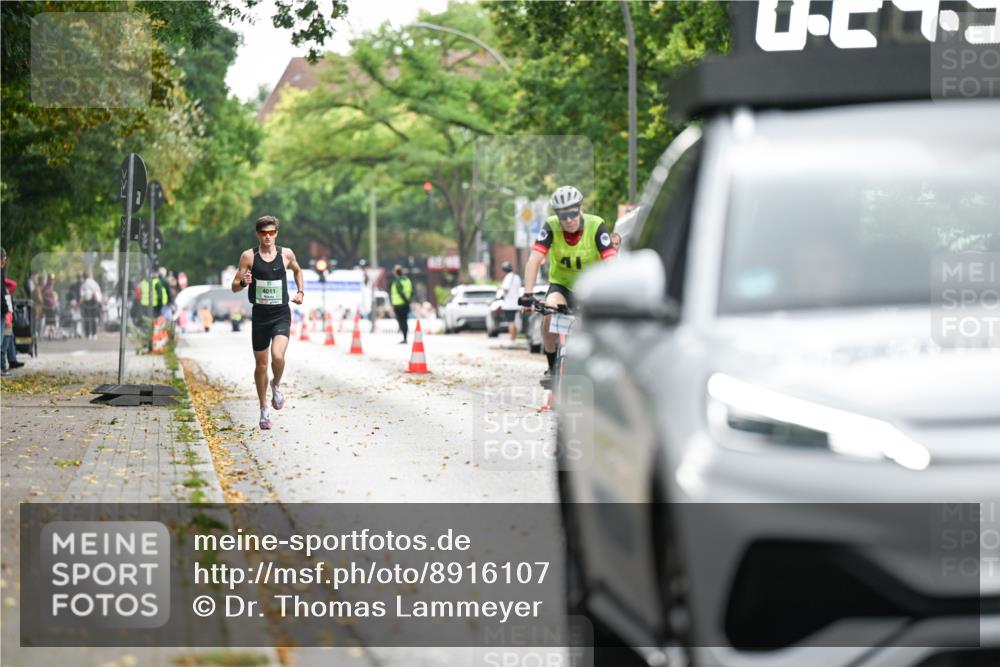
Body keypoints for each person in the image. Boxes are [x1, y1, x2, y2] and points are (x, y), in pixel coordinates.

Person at [520, 185, 617, 386]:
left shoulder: (596, 225)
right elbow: (535, 258)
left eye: (573, 213)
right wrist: (528, 294)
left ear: (580, 209)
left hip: (591, 287)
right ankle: (553, 366)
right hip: (562, 287)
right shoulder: (551, 226)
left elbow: (611, 260)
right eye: (563, 216)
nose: (569, 220)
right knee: (549, 311)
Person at [231, 215, 304, 430]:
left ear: (276, 234)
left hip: (281, 313)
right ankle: (263, 407)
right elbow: (234, 286)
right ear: (258, 235)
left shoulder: (286, 254)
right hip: (260, 316)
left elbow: (298, 270)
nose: (268, 237)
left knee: (278, 356)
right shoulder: (249, 257)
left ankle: (276, 384)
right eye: (263, 233)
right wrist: (243, 283)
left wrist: (300, 292)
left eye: (271, 233)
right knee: (261, 365)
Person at [499, 261, 522, 342]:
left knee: (510, 322)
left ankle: (512, 339)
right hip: (517, 303)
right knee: (515, 322)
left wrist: (500, 287)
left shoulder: (508, 277)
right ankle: (515, 338)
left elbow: (506, 288)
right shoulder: (517, 277)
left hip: (509, 304)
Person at [390, 265, 413, 344]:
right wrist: (408, 301)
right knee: (405, 321)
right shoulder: (407, 280)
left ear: (396, 272)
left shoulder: (397, 281)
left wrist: (405, 301)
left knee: (401, 321)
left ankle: (404, 337)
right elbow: (411, 291)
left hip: (399, 305)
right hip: (405, 305)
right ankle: (405, 336)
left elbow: (400, 293)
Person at [80, 272, 103, 339]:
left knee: (87, 318)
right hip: (94, 301)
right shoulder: (94, 283)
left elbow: (82, 294)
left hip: (87, 302)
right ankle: (94, 333)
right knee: (94, 318)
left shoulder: (84, 284)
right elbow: (98, 291)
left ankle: (88, 333)